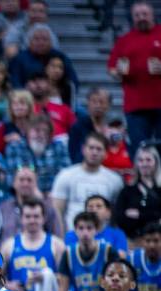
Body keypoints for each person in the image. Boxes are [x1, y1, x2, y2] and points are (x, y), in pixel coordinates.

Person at [107, 1, 161, 156]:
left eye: (145, 14)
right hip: (135, 106)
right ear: (132, 17)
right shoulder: (124, 41)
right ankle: (139, 179)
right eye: (137, 15)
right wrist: (117, 73)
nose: (141, 18)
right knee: (139, 149)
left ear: (152, 15)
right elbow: (111, 68)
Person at [51, 133, 124, 234]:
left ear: (106, 153)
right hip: (73, 236)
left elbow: (117, 213)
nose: (94, 152)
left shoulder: (115, 180)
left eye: (99, 149)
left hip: (104, 239)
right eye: (91, 148)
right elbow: (57, 210)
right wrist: (61, 237)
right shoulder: (66, 175)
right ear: (83, 149)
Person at [1, 198, 64, 291]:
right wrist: (7, 285)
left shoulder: (57, 245)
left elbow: (66, 281)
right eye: (28, 216)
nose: (32, 220)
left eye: (36, 216)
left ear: (43, 218)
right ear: (21, 218)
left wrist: (47, 277)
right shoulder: (8, 246)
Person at [57, 212, 120, 291]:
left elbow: (117, 287)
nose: (85, 233)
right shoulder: (68, 254)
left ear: (96, 230)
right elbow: (63, 290)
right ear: (75, 230)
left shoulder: (108, 251)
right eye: (81, 228)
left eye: (89, 228)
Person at [4, 115, 70, 196]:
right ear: (28, 131)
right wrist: (34, 192)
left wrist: (51, 194)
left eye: (45, 131)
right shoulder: (15, 147)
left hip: (53, 196)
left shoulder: (59, 147)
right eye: (37, 130)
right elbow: (12, 178)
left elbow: (65, 176)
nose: (41, 134)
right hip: (23, 196)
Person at [0, 166, 61, 242]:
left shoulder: (47, 208)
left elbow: (57, 236)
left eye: (29, 180)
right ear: (14, 183)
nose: (25, 184)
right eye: (21, 180)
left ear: (36, 183)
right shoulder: (3, 208)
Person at [113, 145, 161, 245]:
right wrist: (153, 216)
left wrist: (140, 215)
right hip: (133, 241)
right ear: (136, 163)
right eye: (141, 160)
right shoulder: (128, 190)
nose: (144, 164)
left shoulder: (159, 190)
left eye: (148, 160)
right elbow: (119, 217)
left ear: (156, 162)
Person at [68, 88, 111, 165]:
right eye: (94, 102)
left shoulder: (112, 127)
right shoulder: (78, 127)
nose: (98, 105)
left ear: (108, 105)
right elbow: (75, 156)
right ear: (88, 103)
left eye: (102, 102)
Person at [130, 222, 161, 291]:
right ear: (142, 242)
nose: (151, 245)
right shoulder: (133, 259)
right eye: (148, 241)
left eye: (156, 241)